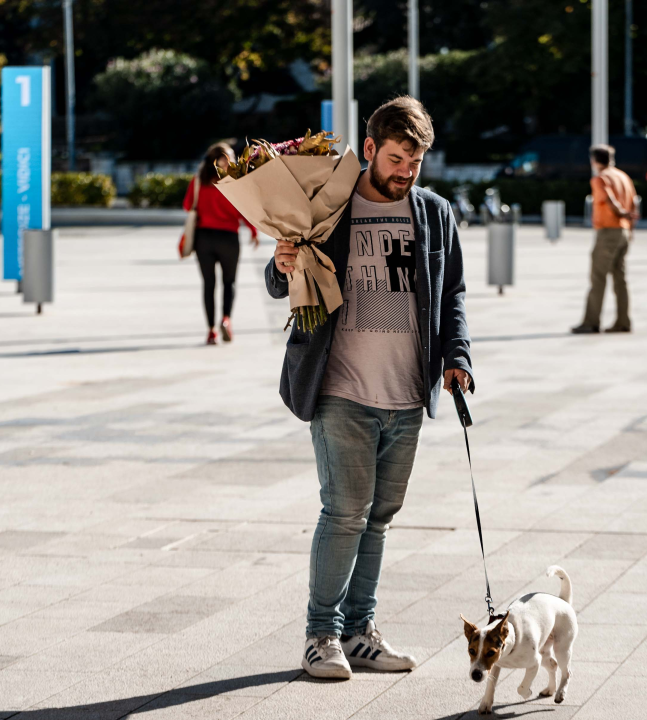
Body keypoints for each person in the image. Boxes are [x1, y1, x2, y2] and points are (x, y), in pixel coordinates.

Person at [265, 96, 474, 680]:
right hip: (340, 390)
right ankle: (320, 635)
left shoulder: (433, 213)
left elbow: (451, 293)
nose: (407, 171)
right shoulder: (328, 206)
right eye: (398, 157)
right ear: (372, 146)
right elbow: (280, 280)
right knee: (345, 512)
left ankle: (360, 632)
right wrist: (282, 264)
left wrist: (456, 357)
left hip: (407, 395)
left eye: (417, 161)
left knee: (379, 517)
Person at [182, 143, 258, 345]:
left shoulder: (199, 180)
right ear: (222, 160)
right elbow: (245, 210)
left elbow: (188, 205)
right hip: (228, 238)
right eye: (230, 157)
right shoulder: (234, 181)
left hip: (203, 238)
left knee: (208, 284)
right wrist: (253, 230)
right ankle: (226, 319)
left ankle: (211, 331)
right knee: (229, 282)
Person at [571, 144, 637, 335]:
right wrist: (630, 228)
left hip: (609, 231)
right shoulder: (623, 177)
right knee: (620, 279)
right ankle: (623, 321)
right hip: (623, 232)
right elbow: (634, 203)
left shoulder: (601, 179)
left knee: (598, 277)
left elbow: (610, 200)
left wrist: (620, 212)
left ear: (594, 160)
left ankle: (591, 322)